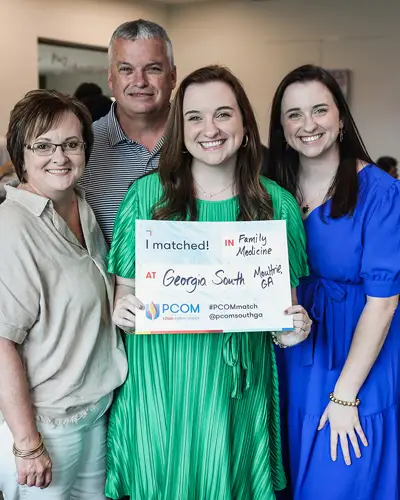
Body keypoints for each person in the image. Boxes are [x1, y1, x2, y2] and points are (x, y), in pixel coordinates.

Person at [105, 65, 312, 500]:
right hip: (162, 381)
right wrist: (122, 311)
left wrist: (295, 329)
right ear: (180, 129)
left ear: (244, 124)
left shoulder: (278, 204)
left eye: (223, 114)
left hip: (236, 390)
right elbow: (124, 295)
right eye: (195, 117)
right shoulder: (145, 197)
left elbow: (284, 317)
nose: (209, 129)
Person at [267, 64, 400, 500]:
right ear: (281, 126)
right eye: (294, 114)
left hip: (357, 360)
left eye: (320, 110)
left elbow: (383, 303)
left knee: (341, 481)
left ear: (341, 118)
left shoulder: (379, 192)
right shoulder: (269, 190)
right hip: (290, 358)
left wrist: (345, 396)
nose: (308, 125)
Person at [0, 90, 127, 499]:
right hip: (45, 428)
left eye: (72, 144)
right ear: (21, 153)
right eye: (43, 145)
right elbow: (1, 344)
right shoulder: (12, 227)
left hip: (96, 413)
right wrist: (27, 443)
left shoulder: (81, 204)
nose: (60, 156)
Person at [79, 19, 177, 246]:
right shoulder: (82, 148)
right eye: (126, 69)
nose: (139, 81)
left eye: (153, 69)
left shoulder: (203, 142)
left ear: (172, 77)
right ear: (111, 78)